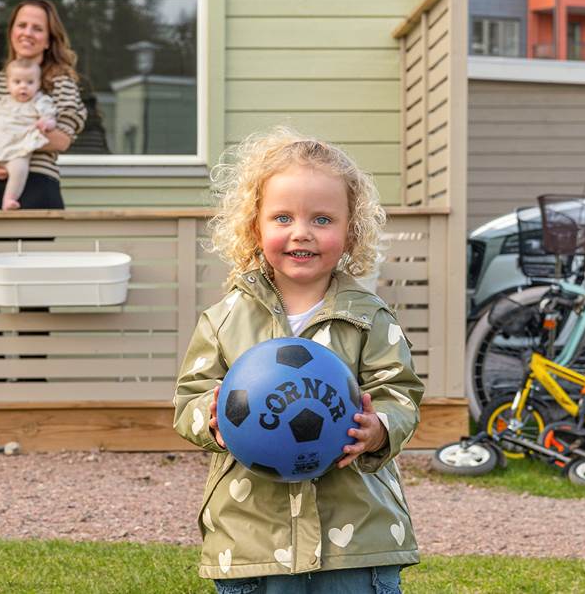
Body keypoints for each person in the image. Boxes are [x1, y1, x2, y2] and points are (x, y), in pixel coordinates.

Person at [172, 127, 424, 593]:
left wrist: (380, 428)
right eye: (282, 217)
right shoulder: (225, 318)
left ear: (351, 232)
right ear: (255, 227)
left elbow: (400, 391)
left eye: (323, 220)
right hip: (250, 537)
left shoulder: (370, 318)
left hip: (357, 534)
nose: (301, 233)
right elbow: (190, 395)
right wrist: (210, 417)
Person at [0, 0, 86, 210]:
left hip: (38, 186)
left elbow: (62, 140)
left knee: (31, 245)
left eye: (37, 28)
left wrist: (3, 137)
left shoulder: (60, 82)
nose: (27, 33)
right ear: (12, 32)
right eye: (22, 25)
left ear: (48, 40)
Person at [0, 58, 56, 211]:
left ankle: (9, 199)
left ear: (38, 84)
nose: (23, 87)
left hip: (18, 149)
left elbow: (51, 118)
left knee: (19, 170)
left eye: (30, 82)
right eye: (17, 82)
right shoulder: (2, 102)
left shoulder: (40, 101)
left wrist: (46, 124)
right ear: (8, 84)